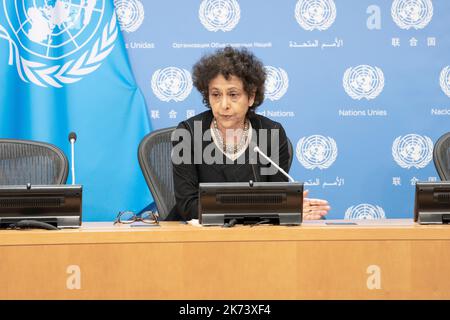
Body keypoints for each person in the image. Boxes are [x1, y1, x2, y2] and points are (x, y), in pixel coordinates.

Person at [168, 46, 330, 221]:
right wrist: (262, 209)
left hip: (255, 238)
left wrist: (288, 208)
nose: (224, 105)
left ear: (251, 97)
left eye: (233, 94)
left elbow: (278, 201)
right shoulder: (188, 134)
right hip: (196, 240)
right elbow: (188, 206)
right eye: (215, 95)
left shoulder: (271, 134)